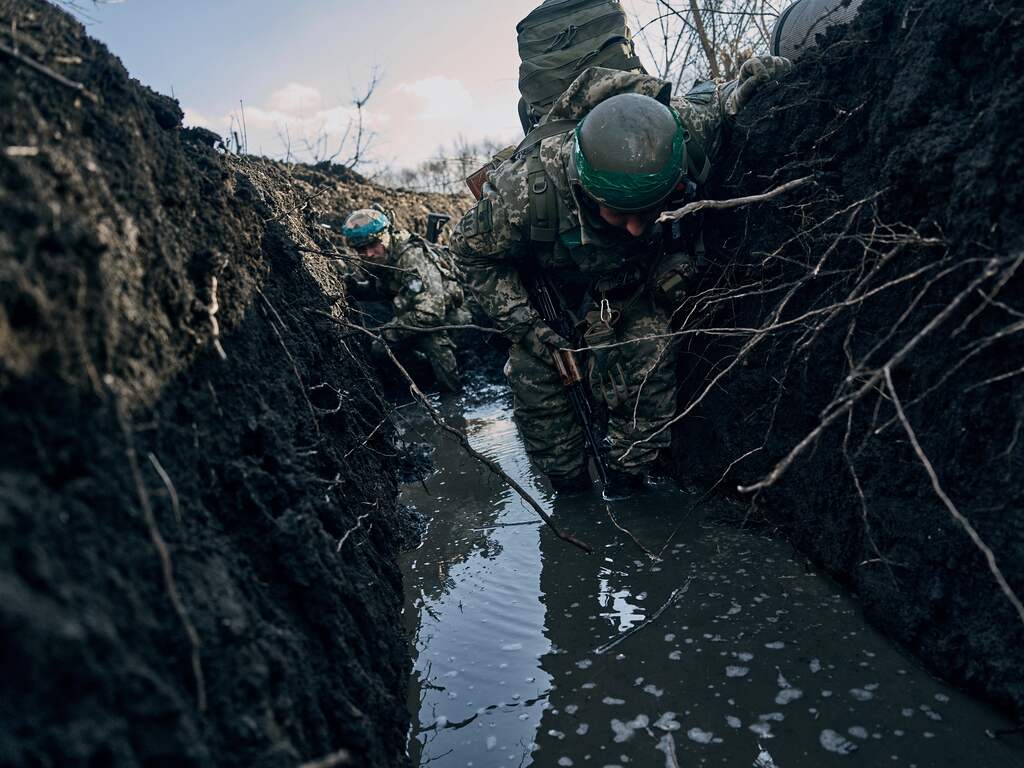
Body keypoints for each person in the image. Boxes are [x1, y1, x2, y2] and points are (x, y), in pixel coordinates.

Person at [451, 57, 791, 497]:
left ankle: (629, 482)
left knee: (651, 358)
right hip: (554, 296)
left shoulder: (680, 136)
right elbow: (469, 253)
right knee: (535, 382)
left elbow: (719, 101)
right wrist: (530, 329)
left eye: (647, 212)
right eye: (619, 213)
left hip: (633, 289)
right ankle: (569, 490)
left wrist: (748, 84)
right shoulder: (524, 194)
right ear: (583, 187)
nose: (635, 228)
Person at [342, 208, 469, 391]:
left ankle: (453, 396)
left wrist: (389, 331)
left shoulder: (410, 257)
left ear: (385, 236)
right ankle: (423, 375)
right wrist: (356, 289)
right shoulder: (383, 258)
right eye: (361, 249)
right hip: (415, 313)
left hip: (453, 316)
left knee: (431, 340)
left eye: (373, 244)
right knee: (380, 350)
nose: (368, 253)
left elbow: (431, 313)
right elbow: (384, 290)